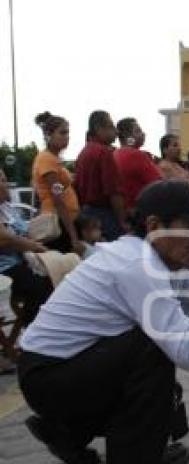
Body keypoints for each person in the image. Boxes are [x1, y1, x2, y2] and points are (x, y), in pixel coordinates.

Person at [17, 180, 189, 464]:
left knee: (155, 366)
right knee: (152, 345)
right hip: (49, 376)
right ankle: (132, 458)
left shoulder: (166, 262)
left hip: (60, 369)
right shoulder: (138, 264)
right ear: (154, 225)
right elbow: (188, 353)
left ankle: (67, 432)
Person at [0, 170, 53, 325]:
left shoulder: (6, 207)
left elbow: (24, 229)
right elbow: (6, 239)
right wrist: (36, 247)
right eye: (2, 181)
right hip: (4, 268)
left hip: (17, 259)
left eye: (5, 180)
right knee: (39, 285)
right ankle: (33, 327)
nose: (6, 185)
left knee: (53, 273)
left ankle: (36, 325)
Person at [31, 112, 84, 255]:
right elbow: (58, 199)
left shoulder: (53, 158)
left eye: (68, 133)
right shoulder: (47, 159)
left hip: (64, 222)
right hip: (59, 224)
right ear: (49, 135)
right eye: (62, 132)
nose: (67, 136)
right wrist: (73, 236)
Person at [74, 111, 128, 241]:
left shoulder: (84, 152)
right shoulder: (104, 152)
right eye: (111, 127)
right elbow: (113, 191)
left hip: (86, 214)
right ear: (99, 129)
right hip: (104, 215)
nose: (116, 132)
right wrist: (122, 221)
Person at [114, 118, 163, 215]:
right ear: (127, 137)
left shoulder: (115, 154)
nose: (143, 134)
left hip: (125, 211)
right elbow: (159, 184)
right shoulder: (136, 154)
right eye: (138, 131)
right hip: (141, 212)